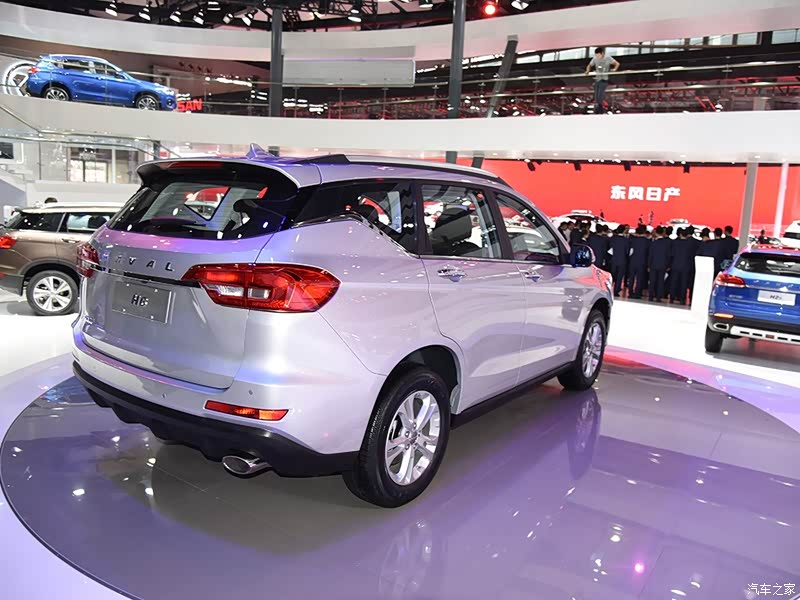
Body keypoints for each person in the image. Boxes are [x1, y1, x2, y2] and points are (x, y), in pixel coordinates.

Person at [585, 47, 620, 114]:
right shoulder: (595, 58)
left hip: (604, 79)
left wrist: (614, 69)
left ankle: (600, 110)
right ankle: (599, 110)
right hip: (597, 79)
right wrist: (587, 70)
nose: (597, 57)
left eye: (599, 55)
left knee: (600, 95)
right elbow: (589, 65)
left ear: (602, 54)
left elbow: (617, 63)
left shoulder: (608, 57)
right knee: (596, 96)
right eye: (596, 55)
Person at [669, 228, 696, 305]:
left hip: (675, 265)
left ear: (680, 234)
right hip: (685, 266)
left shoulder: (675, 243)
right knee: (683, 283)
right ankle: (682, 299)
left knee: (674, 282)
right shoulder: (690, 245)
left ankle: (672, 298)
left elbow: (672, 254)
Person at [627, 224, 651, 299]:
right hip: (642, 262)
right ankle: (637, 293)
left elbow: (630, 252)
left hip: (633, 261)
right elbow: (648, 253)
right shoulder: (647, 242)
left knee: (631, 278)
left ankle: (630, 292)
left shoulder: (633, 241)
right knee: (640, 278)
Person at [648, 226, 671, 302]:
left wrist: (649, 265)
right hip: (663, 264)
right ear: (663, 233)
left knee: (652, 281)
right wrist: (668, 265)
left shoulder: (654, 243)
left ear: (656, 233)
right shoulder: (667, 243)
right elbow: (668, 255)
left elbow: (650, 255)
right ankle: (658, 297)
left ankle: (651, 296)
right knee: (660, 281)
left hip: (653, 264)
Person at [608, 224, 629, 297]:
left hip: (614, 259)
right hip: (622, 260)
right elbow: (627, 252)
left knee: (612, 276)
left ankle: (609, 289)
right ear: (624, 231)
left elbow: (609, 249)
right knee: (619, 277)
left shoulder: (613, 239)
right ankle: (616, 290)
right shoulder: (626, 240)